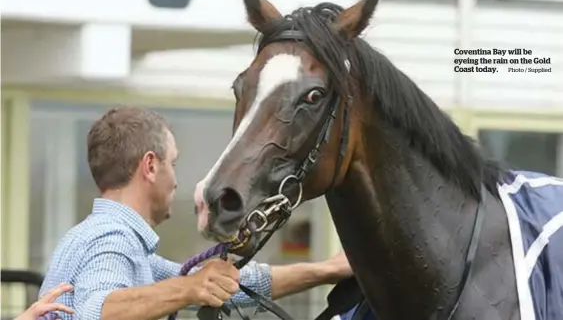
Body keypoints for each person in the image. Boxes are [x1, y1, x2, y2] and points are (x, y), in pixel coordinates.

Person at [39, 107, 352, 320]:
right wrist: (189, 289)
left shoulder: (112, 242)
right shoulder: (112, 238)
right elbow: (97, 310)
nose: (176, 181)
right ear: (150, 166)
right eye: (172, 164)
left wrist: (326, 270)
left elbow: (231, 285)